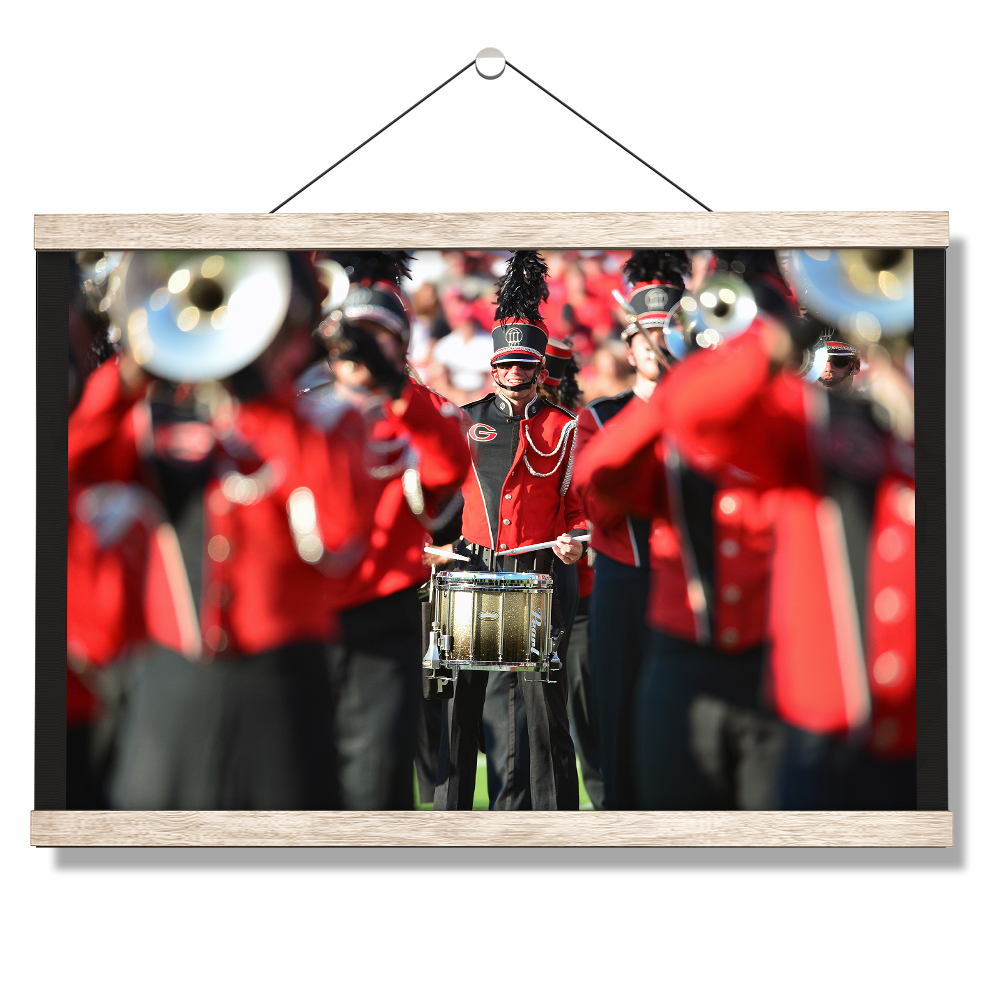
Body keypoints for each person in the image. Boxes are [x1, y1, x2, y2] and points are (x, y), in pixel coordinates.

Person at [69, 251, 372, 810]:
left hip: (284, 684)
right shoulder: (150, 420)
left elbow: (339, 537)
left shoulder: (329, 423)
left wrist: (261, 400)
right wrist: (133, 372)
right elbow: (67, 473)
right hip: (168, 682)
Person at [576, 251, 844, 810]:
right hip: (682, 664)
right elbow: (602, 477)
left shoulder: (807, 416)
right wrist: (690, 385)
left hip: (780, 665)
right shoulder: (678, 412)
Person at [308, 251, 471, 809]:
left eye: (378, 337)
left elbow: (448, 466)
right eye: (354, 336)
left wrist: (394, 384)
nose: (361, 349)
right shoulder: (302, 409)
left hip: (382, 617)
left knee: (375, 789)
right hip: (308, 621)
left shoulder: (425, 412)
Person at [434, 251, 587, 811]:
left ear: (541, 367)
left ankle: (551, 821)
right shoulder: (463, 419)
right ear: (493, 367)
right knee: (460, 705)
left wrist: (575, 543)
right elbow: (443, 499)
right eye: (508, 366)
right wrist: (436, 547)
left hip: (540, 573)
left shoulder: (564, 426)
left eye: (527, 366)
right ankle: (449, 819)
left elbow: (576, 505)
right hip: (471, 570)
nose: (517, 375)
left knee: (544, 710)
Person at [572, 249, 689, 809]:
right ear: (629, 346)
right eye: (647, 340)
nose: (656, 349)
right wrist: (656, 409)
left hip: (690, 583)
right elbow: (603, 510)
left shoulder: (704, 408)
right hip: (623, 581)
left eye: (667, 337)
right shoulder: (599, 416)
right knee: (618, 719)